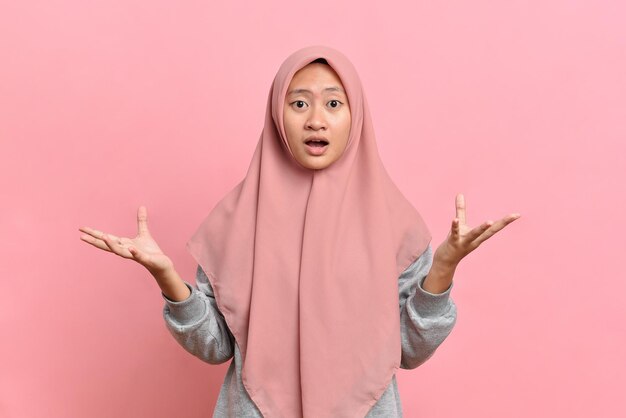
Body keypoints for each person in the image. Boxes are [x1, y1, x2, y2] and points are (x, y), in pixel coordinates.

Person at [79, 45, 520, 417]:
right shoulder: (236, 219)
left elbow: (408, 350)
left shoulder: (394, 222)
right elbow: (215, 346)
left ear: (355, 116)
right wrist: (167, 277)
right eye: (299, 102)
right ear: (277, 114)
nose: (315, 119)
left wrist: (441, 271)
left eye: (333, 103)